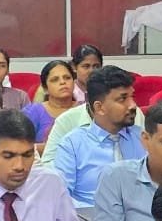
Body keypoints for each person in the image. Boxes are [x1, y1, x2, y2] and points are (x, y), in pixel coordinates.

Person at [53, 66, 145, 208]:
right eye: (123, 99)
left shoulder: (144, 139)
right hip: (90, 217)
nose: (133, 105)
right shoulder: (72, 145)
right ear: (99, 108)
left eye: (132, 96)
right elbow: (61, 197)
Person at [22, 59, 78, 146]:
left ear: (74, 82)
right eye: (55, 80)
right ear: (45, 88)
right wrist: (49, 148)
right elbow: (19, 146)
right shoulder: (33, 112)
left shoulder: (85, 109)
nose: (63, 82)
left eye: (67, 78)